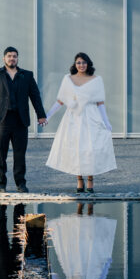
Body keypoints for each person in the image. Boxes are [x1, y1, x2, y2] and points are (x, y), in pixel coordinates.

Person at [44, 52, 116, 191]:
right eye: (78, 62)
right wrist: (47, 116)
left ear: (88, 64)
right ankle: (79, 180)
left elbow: (100, 102)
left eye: (83, 62)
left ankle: (90, 179)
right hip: (73, 117)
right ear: (74, 64)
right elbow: (60, 101)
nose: (81, 65)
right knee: (76, 148)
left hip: (91, 116)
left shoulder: (96, 80)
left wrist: (106, 121)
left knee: (89, 149)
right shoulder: (68, 79)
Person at [0, 46, 47, 191]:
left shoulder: (27, 75)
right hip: (1, 121)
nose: (12, 58)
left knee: (20, 154)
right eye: (9, 56)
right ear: (4, 58)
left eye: (14, 56)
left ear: (17, 58)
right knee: (1, 155)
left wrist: (41, 115)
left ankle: (21, 183)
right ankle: (1, 184)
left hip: (20, 120)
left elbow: (35, 96)